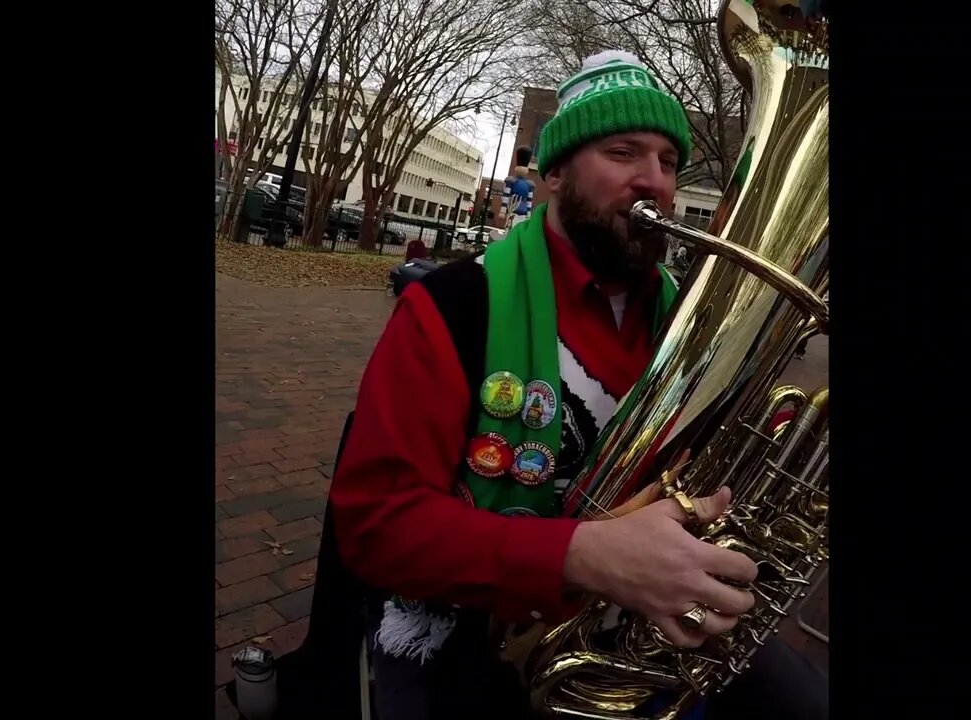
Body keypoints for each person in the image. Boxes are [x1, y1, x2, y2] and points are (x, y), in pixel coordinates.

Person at [326, 50, 828, 720]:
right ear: (556, 173)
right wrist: (583, 556)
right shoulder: (453, 305)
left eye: (668, 162)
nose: (654, 181)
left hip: (649, 633)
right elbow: (376, 525)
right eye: (623, 152)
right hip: (474, 635)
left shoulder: (694, 318)